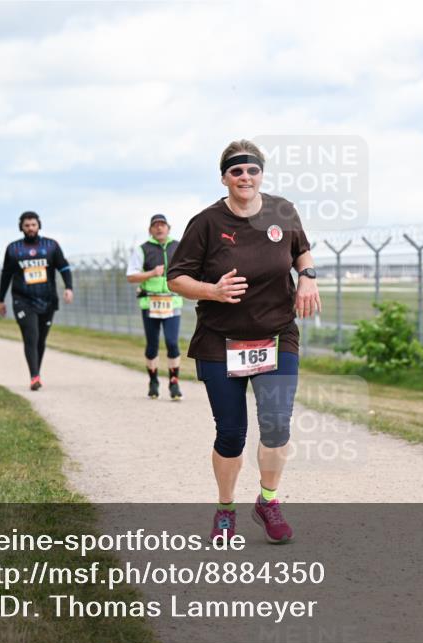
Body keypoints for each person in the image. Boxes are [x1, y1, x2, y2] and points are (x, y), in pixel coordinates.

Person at [167, 139, 321, 544]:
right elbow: (176, 278)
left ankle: (268, 502)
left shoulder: (282, 211)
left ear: (261, 175)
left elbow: (302, 251)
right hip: (221, 342)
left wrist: (308, 277)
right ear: (224, 178)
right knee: (231, 434)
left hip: (276, 335)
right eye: (237, 171)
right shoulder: (206, 223)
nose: (245, 177)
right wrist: (212, 291)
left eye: (252, 170)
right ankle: (225, 508)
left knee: (276, 425)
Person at [0, 211, 74, 391]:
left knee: (41, 339)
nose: (30, 228)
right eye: (27, 225)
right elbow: (6, 275)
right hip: (22, 299)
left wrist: (69, 287)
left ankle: (36, 372)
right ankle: (34, 376)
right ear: (21, 227)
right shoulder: (13, 249)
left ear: (39, 225)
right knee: (31, 335)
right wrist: (1, 299)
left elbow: (64, 268)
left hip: (47, 299)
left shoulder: (51, 246)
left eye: (33, 225)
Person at [126, 214, 184, 400]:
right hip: (150, 303)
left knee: (172, 342)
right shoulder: (142, 249)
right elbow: (131, 276)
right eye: (155, 225)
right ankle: (153, 381)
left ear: (168, 228)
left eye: (162, 225)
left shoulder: (178, 246)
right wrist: (152, 273)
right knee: (152, 345)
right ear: (150, 230)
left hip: (172, 302)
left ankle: (174, 382)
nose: (159, 228)